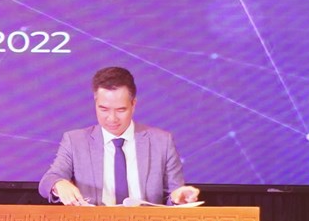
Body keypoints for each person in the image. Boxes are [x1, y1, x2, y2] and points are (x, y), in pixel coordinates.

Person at [39, 66, 200, 206]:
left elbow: (174, 195)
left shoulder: (162, 142)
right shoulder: (75, 141)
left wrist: (179, 198)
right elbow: (48, 180)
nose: (112, 118)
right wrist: (59, 184)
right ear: (95, 102)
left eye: (121, 110)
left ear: (133, 104)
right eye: (103, 109)